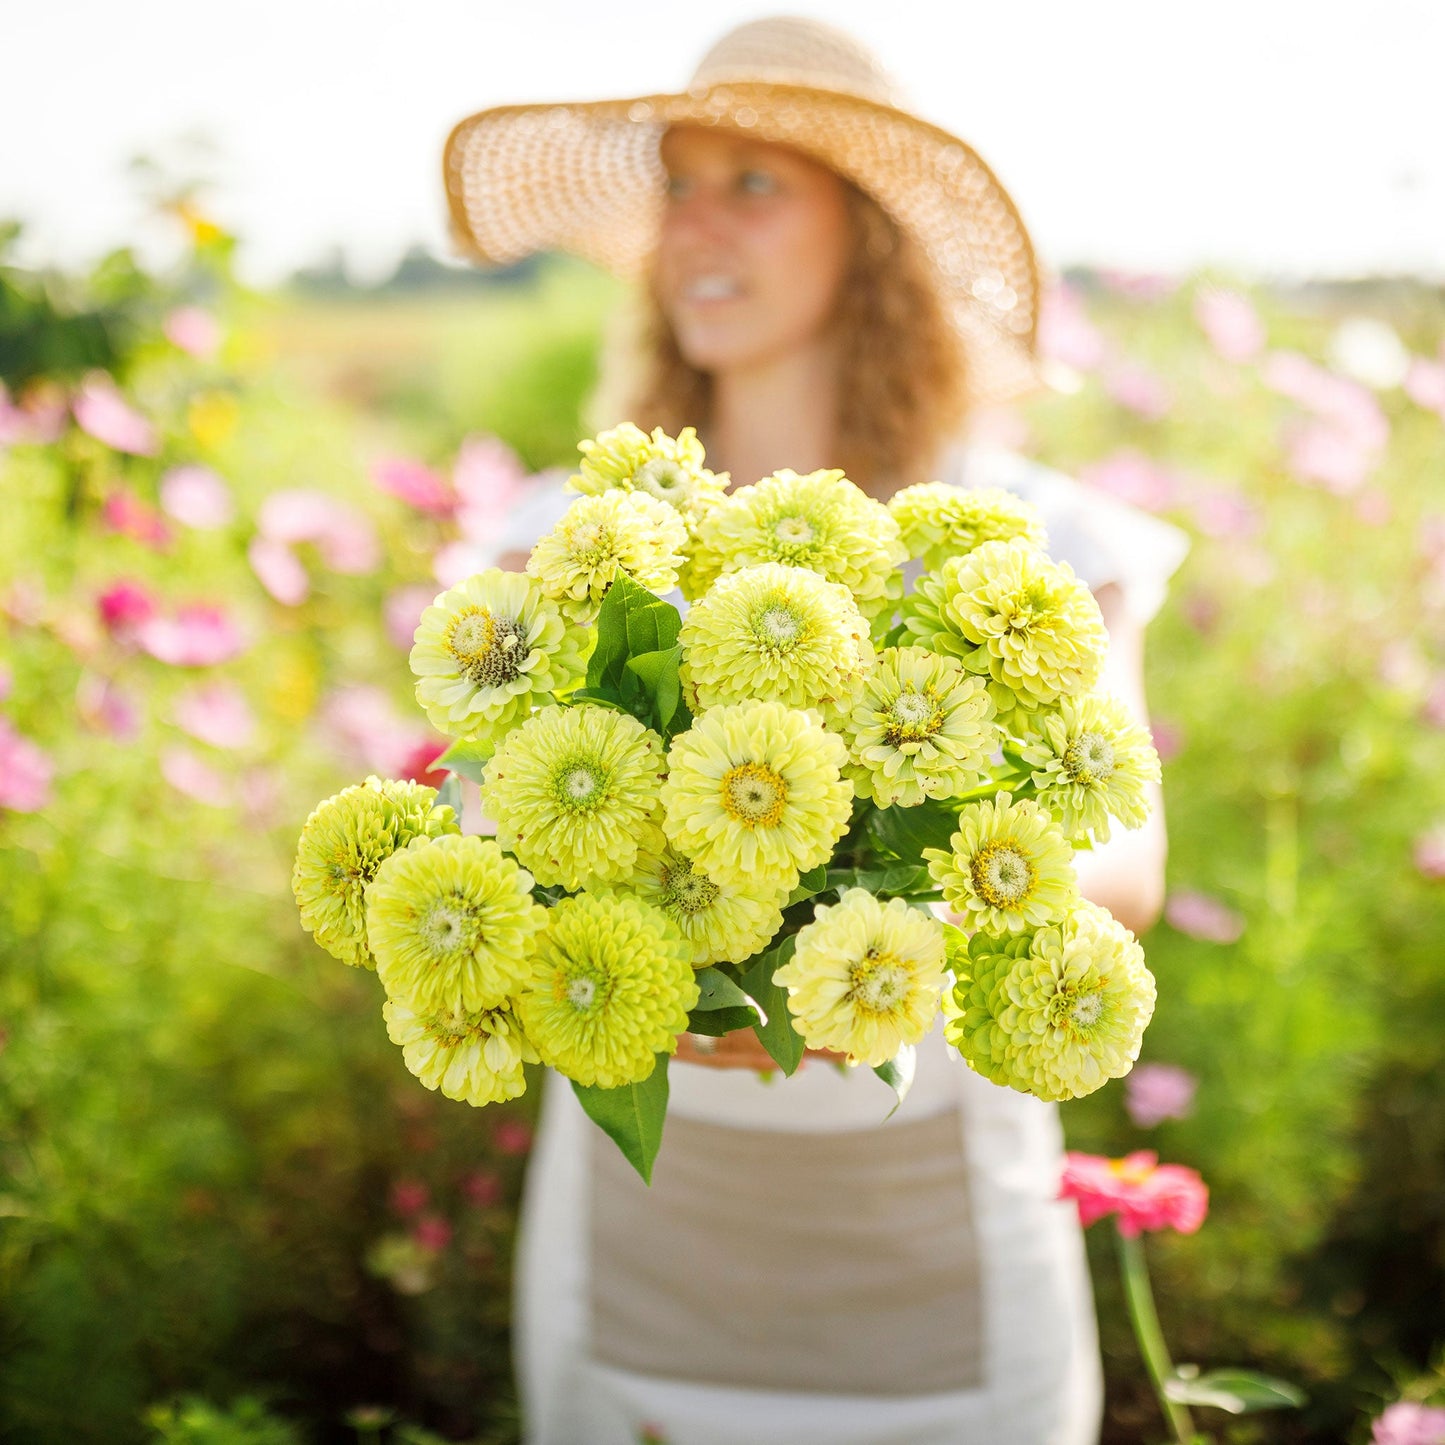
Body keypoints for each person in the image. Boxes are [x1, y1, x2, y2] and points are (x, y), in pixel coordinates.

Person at [442, 17, 1190, 1445]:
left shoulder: (1033, 541)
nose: (697, 227)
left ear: (873, 236)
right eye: (679, 183)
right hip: (649, 1268)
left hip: (942, 1273)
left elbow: (1127, 858)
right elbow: (492, 814)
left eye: (756, 184)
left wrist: (877, 937)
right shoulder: (566, 539)